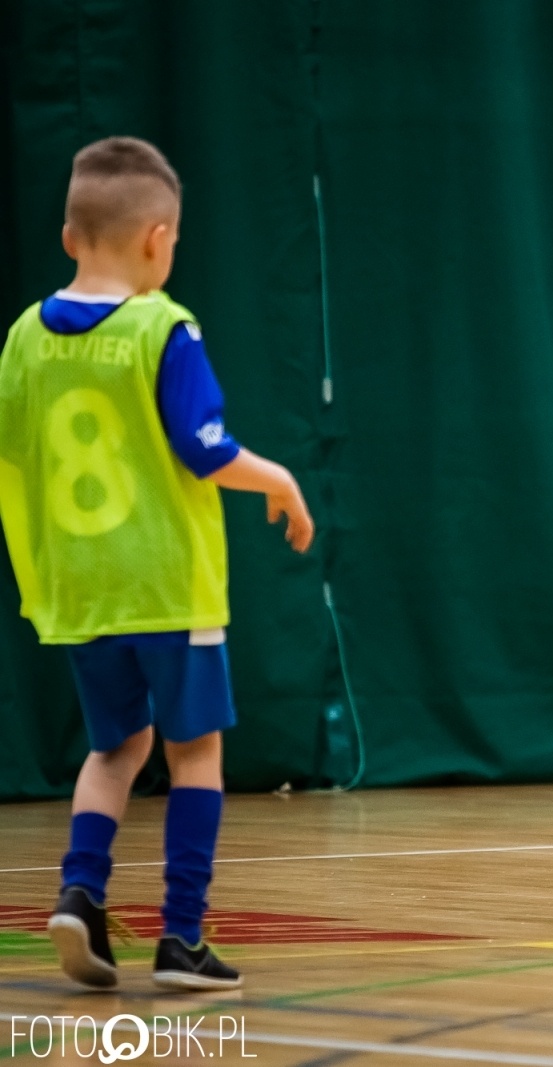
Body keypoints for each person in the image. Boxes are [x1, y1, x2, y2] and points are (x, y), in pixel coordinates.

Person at [0, 137, 315, 991]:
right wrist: (278, 480)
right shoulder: (161, 326)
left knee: (114, 748)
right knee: (193, 752)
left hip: (79, 587)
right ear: (157, 238)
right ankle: (180, 937)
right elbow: (206, 449)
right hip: (167, 585)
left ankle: (80, 890)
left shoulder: (25, 337)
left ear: (69, 236)